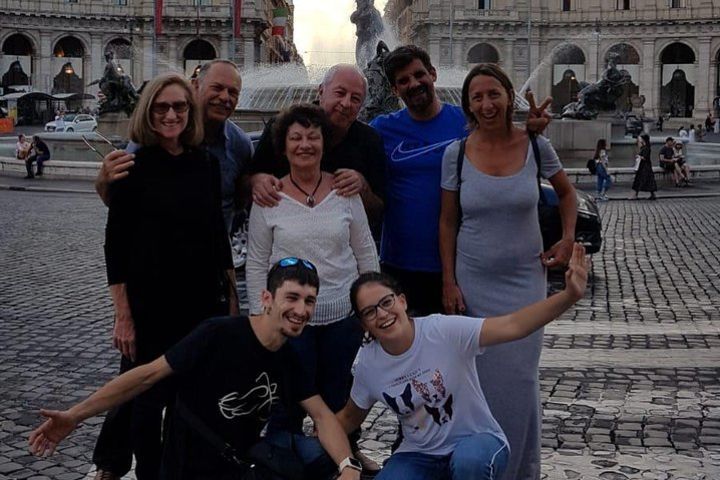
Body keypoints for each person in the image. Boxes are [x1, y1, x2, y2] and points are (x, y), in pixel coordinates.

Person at [29, 258, 363, 480]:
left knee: (316, 458)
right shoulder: (219, 333)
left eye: (309, 301)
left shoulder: (287, 355)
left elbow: (321, 416)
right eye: (292, 297)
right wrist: (75, 415)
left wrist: (348, 466)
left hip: (239, 467)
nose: (301, 309)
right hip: (188, 468)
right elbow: (146, 375)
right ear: (266, 298)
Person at [91, 60, 254, 480]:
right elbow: (116, 246)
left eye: (179, 108)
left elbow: (219, 237)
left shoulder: (209, 162)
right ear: (148, 110)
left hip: (200, 301)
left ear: (189, 111)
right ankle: (135, 469)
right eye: (162, 107)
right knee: (143, 399)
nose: (171, 115)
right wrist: (123, 315)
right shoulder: (131, 164)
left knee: (189, 397)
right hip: (149, 304)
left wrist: (231, 299)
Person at [336, 244, 589, 480]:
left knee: (469, 462)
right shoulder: (369, 364)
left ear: (402, 301)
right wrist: (314, 437)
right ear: (363, 323)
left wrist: (569, 296)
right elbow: (349, 417)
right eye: (370, 311)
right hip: (418, 454)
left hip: (477, 441)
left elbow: (513, 325)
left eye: (386, 302)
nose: (382, 314)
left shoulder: (443, 331)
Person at [437, 63, 577, 480]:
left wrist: (568, 238)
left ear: (508, 95)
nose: (486, 103)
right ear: (468, 105)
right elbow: (447, 222)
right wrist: (449, 280)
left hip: (524, 281)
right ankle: (484, 467)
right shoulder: (456, 153)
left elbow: (567, 194)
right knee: (479, 382)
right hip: (475, 280)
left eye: (493, 93)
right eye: (477, 97)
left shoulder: (535, 146)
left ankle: (519, 469)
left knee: (518, 379)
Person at [370, 45, 553, 317]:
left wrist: (530, 130)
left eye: (419, 74)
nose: (414, 83)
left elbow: (504, 143)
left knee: (455, 354)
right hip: (399, 263)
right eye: (403, 81)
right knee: (405, 353)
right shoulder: (382, 129)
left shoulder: (466, 121)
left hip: (460, 265)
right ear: (395, 90)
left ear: (433, 74)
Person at [246, 104, 379, 471]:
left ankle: (344, 458)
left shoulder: (344, 190)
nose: (305, 145)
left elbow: (365, 251)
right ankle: (281, 462)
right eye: (296, 138)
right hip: (288, 323)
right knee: (286, 400)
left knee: (340, 395)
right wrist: (261, 317)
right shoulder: (268, 196)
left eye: (313, 137)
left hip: (341, 316)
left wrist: (370, 308)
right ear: (284, 146)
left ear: (324, 143)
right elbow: (257, 262)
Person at [95, 59, 254, 233]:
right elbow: (121, 205)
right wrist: (103, 183)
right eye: (216, 88)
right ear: (195, 85)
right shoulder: (157, 138)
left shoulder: (241, 145)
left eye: (233, 92)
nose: (225, 97)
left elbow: (241, 202)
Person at [249, 63, 386, 240]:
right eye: (340, 93)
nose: (346, 103)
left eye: (355, 98)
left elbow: (379, 211)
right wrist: (257, 181)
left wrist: (362, 187)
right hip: (283, 243)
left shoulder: (370, 140)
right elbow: (248, 184)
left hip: (343, 250)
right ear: (321, 91)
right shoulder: (282, 127)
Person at [630, 133, 657, 200]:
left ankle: (635, 195)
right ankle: (652, 194)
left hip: (644, 167)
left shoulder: (646, 148)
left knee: (640, 180)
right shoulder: (645, 147)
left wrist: (639, 156)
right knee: (647, 180)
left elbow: (645, 157)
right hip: (645, 166)